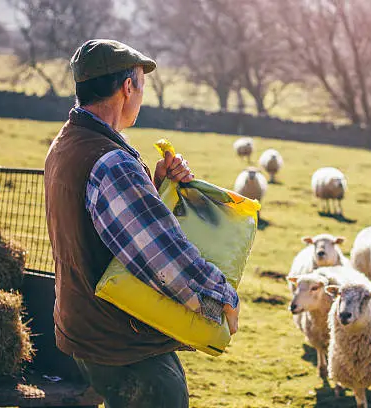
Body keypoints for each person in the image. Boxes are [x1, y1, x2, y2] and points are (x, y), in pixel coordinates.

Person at [44, 39, 240, 408]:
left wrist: (158, 188)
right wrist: (220, 298)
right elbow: (161, 257)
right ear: (127, 87)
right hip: (121, 342)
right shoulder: (110, 161)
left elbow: (104, 226)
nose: (141, 96)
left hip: (84, 327)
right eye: (141, 86)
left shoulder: (67, 143)